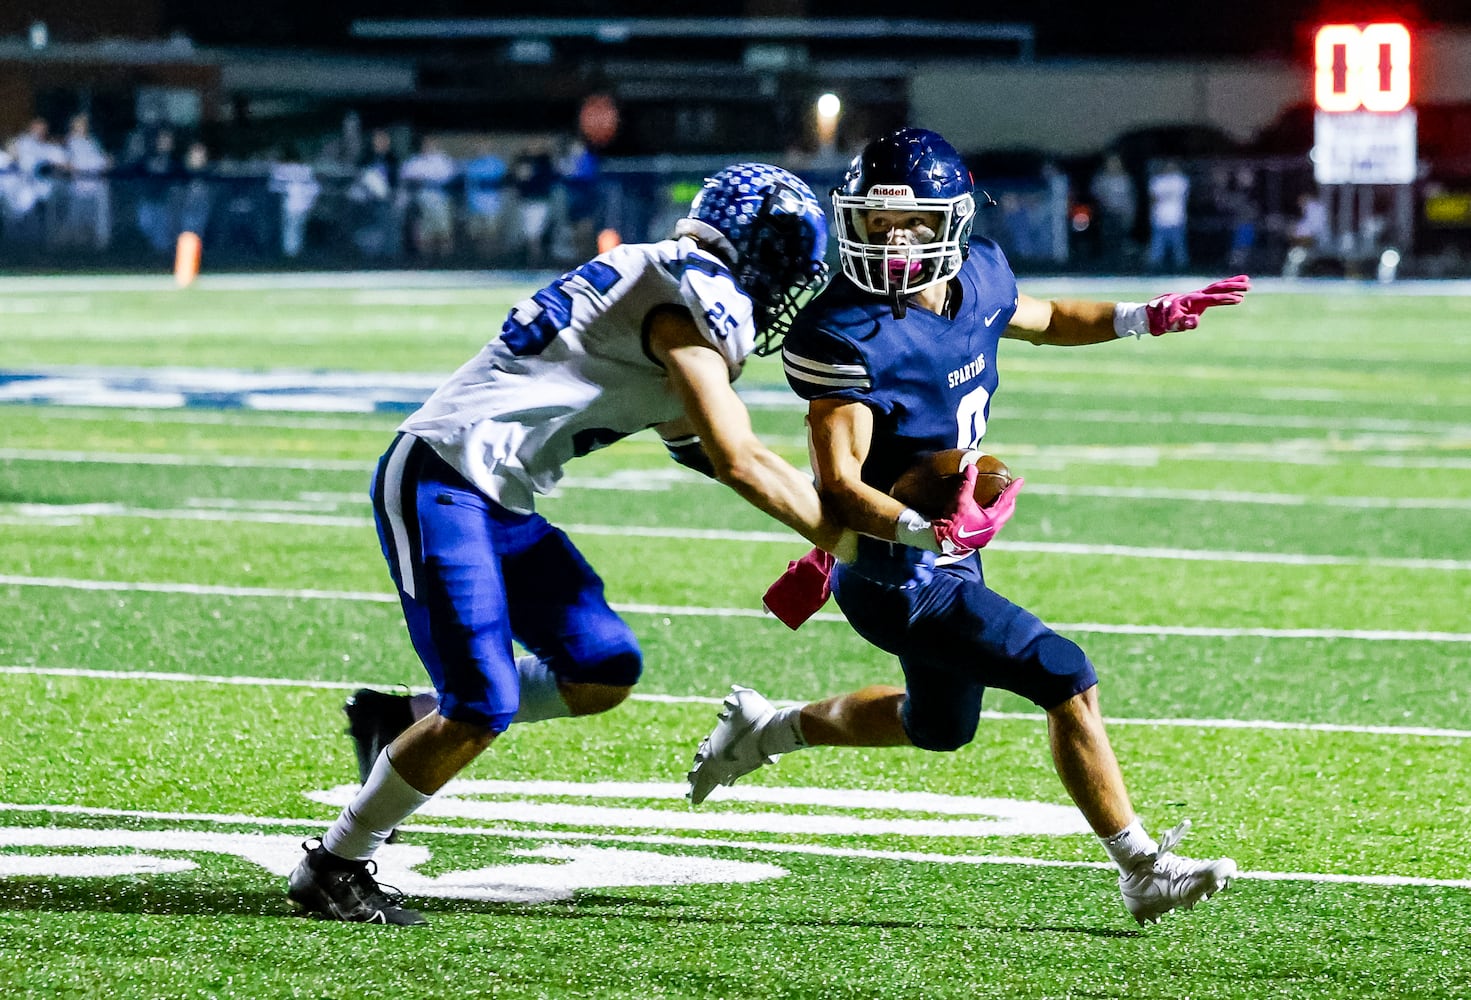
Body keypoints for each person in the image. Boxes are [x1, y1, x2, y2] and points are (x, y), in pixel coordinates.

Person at [685, 128, 1250, 927]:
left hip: (947, 550)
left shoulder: (978, 274)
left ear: (949, 219)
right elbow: (839, 488)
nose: (894, 240)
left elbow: (1047, 316)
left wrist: (1141, 316)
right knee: (1064, 674)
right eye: (879, 225)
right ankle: (1141, 866)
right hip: (888, 566)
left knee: (938, 726)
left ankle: (768, 729)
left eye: (913, 222)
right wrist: (932, 532)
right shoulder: (840, 329)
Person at [288, 162, 844, 925]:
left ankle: (402, 719)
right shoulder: (688, 292)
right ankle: (335, 863)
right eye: (785, 267)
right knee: (482, 704)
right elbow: (737, 456)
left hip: (498, 496)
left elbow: (708, 450)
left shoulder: (661, 279)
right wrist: (856, 535)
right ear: (758, 251)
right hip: (442, 478)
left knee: (601, 666)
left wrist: (843, 516)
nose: (784, 289)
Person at [1145, 158, 1190, 273]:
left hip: (1177, 218)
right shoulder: (1157, 181)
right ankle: (1154, 270)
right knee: (1157, 247)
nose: (1170, 169)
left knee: (1179, 247)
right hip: (1160, 218)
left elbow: (1184, 196)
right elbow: (1152, 199)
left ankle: (1182, 270)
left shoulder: (1181, 180)